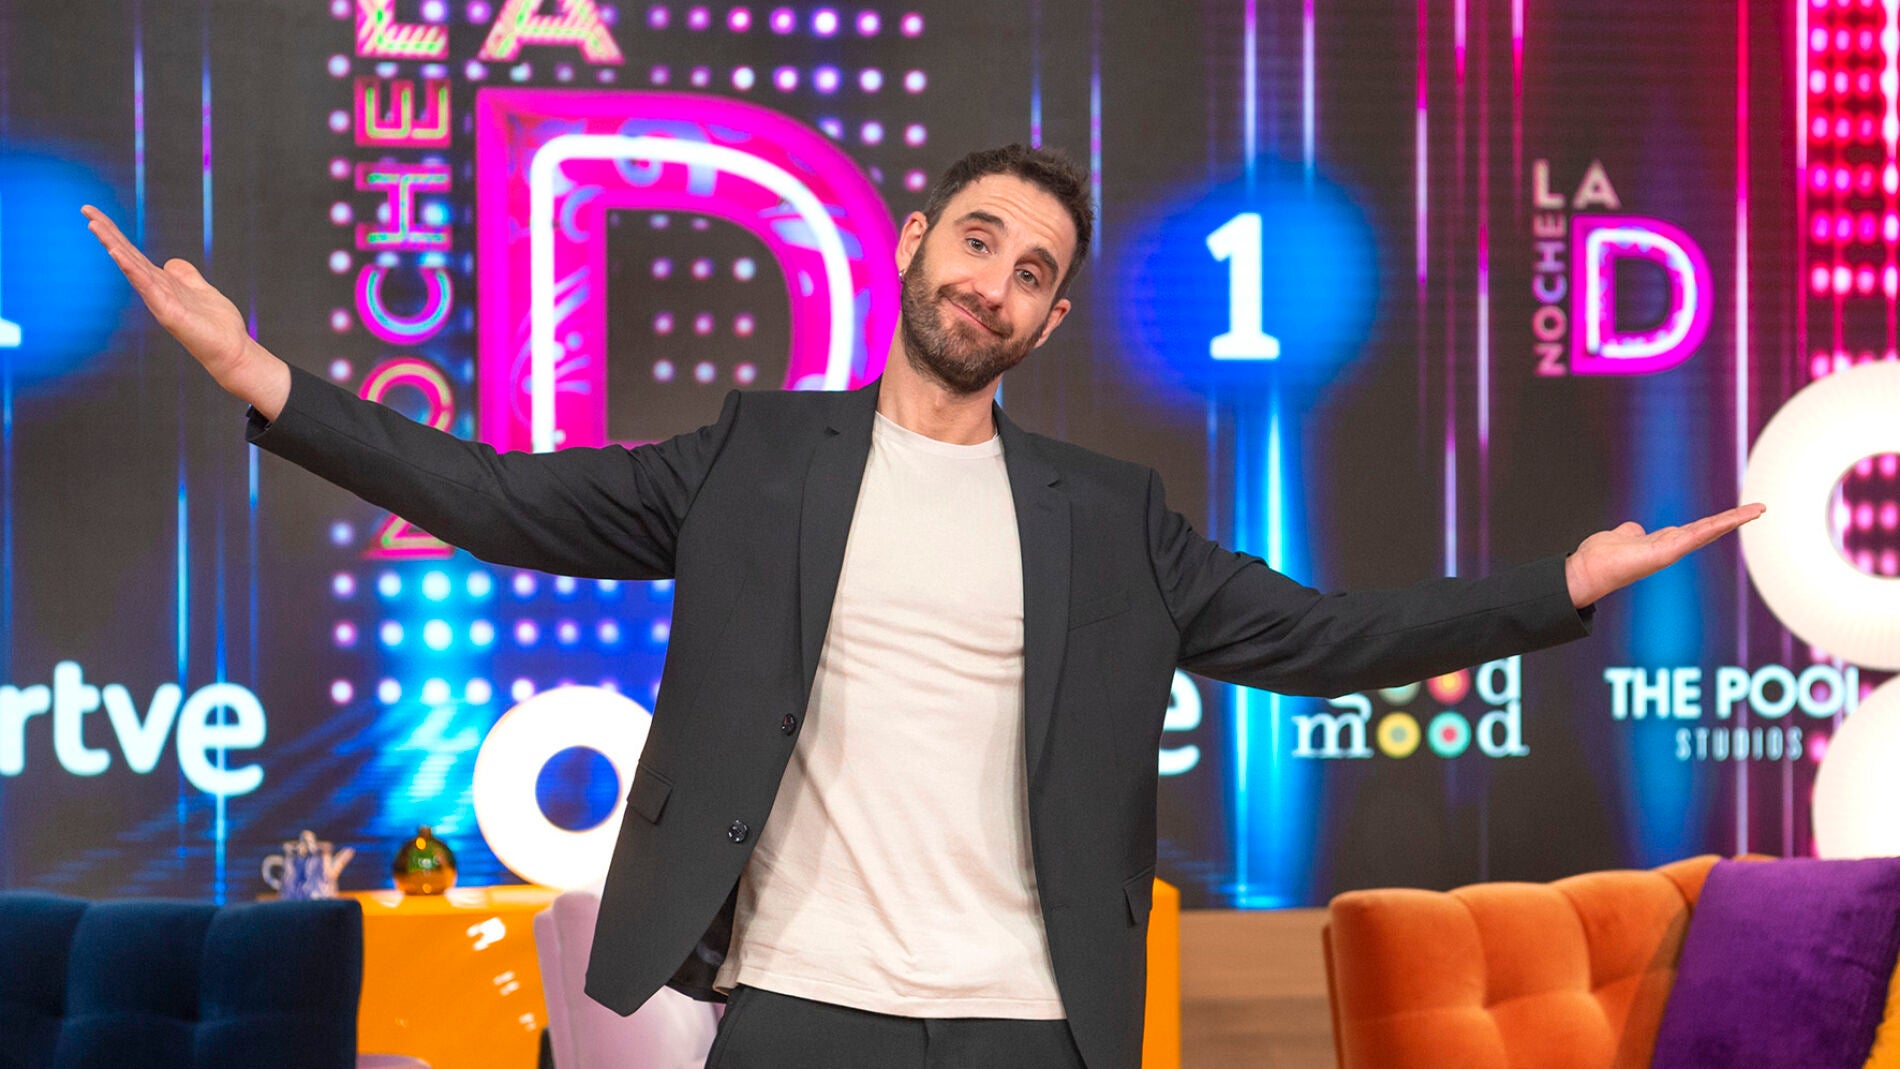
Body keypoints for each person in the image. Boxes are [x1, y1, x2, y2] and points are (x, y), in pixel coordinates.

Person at [84, 144, 1762, 1069]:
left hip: (1032, 1015)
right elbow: (504, 497)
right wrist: (269, 382)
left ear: (1049, 322)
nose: (995, 282)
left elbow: (1325, 641)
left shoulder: (1110, 516)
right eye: (979, 241)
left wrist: (1560, 586)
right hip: (799, 1002)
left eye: (1033, 273)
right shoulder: (758, 458)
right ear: (913, 243)